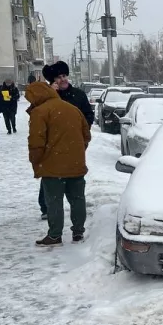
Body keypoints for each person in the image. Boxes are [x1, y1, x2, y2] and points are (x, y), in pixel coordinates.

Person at [26, 72, 91, 246]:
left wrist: (36, 161)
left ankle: (55, 235)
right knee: (77, 199)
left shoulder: (40, 112)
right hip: (76, 164)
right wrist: (77, 151)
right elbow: (86, 135)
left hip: (52, 166)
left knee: (54, 201)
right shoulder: (72, 109)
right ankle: (78, 232)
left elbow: (36, 142)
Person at [36, 62, 92, 220]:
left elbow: (88, 115)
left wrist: (81, 133)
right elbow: (36, 115)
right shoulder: (47, 97)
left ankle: (77, 215)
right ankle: (47, 207)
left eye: (64, 76)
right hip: (53, 144)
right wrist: (50, 94)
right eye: (58, 78)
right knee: (50, 175)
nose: (63, 80)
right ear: (52, 81)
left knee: (75, 176)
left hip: (75, 144)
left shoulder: (79, 95)